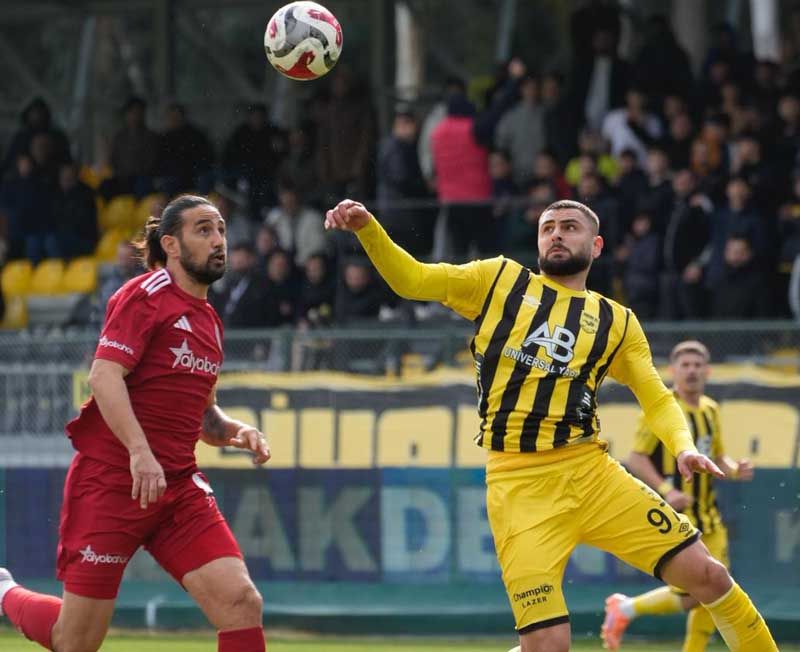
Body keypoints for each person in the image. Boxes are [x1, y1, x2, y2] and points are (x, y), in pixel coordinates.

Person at [323, 197, 777, 652]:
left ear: (596, 245)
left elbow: (656, 395)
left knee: (709, 575)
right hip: (518, 485)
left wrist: (682, 445)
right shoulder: (497, 279)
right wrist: (368, 229)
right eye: (548, 227)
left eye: (570, 227)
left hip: (592, 475)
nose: (556, 234)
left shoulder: (617, 322)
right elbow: (413, 279)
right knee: (548, 645)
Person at [0, 195, 270, 652]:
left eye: (221, 229)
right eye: (203, 230)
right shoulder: (143, 297)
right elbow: (103, 377)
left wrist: (234, 431)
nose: (219, 240)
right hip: (112, 481)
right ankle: (4, 591)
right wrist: (139, 453)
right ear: (171, 243)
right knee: (76, 640)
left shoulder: (210, 322)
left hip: (177, 487)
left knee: (241, 602)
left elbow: (204, 413)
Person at [601, 340, 755, 651]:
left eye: (698, 365)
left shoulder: (710, 410)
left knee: (718, 591)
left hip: (710, 517)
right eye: (685, 365)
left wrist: (735, 468)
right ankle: (627, 609)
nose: (692, 371)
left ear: (708, 371)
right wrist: (668, 490)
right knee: (694, 595)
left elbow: (717, 456)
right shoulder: (662, 409)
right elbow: (636, 458)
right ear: (673, 371)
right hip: (680, 519)